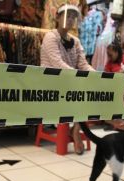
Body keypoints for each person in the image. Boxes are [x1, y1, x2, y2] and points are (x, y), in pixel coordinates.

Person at [40, 4, 95, 155]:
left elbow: (83, 64)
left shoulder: (75, 41)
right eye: (66, 16)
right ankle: (76, 132)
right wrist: (79, 77)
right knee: (82, 92)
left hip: (70, 81)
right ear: (58, 17)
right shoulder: (50, 37)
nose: (70, 19)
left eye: (73, 17)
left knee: (93, 90)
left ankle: (76, 130)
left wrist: (96, 76)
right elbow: (57, 63)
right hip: (51, 82)